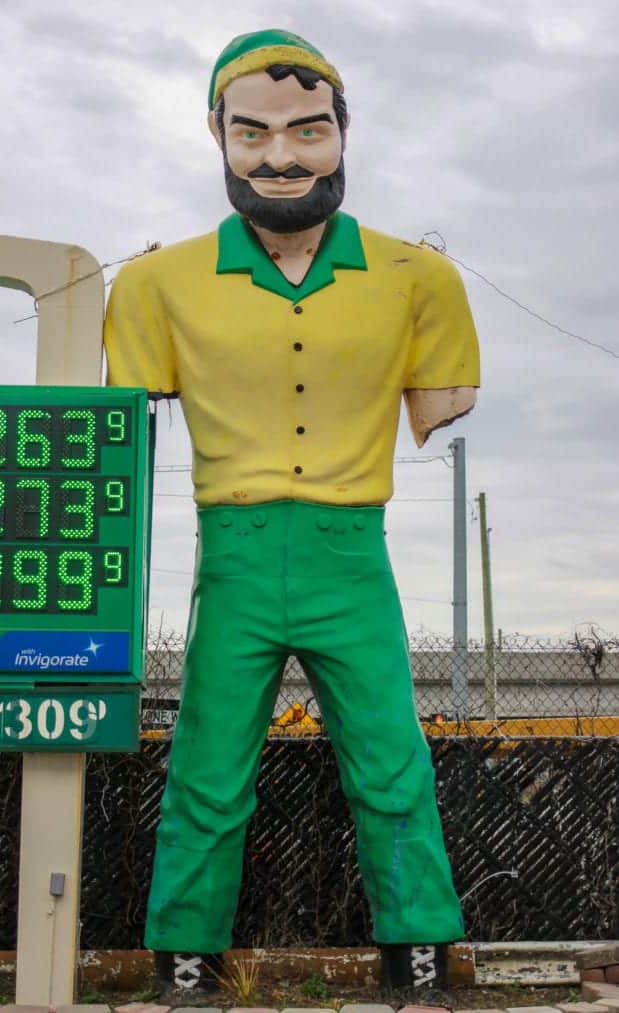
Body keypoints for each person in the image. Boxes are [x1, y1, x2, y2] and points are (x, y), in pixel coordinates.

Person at [104, 28, 479, 1000]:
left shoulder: (418, 278)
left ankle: (421, 954)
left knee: (392, 763)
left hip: (351, 548)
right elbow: (117, 407)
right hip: (233, 549)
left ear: (342, 131)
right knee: (207, 769)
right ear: (216, 134)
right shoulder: (154, 284)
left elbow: (441, 399)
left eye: (308, 129)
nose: (281, 155)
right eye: (254, 131)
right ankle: (186, 958)